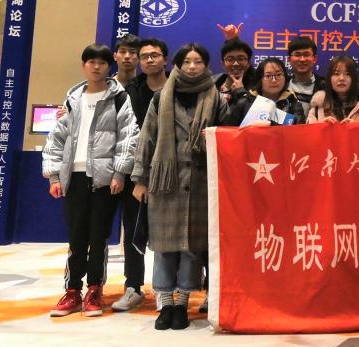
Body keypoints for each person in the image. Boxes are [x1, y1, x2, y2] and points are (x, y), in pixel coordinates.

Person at [131, 43, 229, 331]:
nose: (192, 67)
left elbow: (227, 136)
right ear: (177, 64)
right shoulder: (161, 97)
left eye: (198, 61)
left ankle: (182, 304)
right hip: (165, 182)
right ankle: (165, 304)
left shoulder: (215, 98)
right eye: (186, 61)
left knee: (191, 248)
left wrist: (214, 135)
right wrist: (140, 179)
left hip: (201, 182)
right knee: (163, 246)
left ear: (206, 65)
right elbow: (147, 138)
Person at [43, 43, 139, 318]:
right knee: (76, 237)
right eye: (91, 62)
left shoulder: (119, 98)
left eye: (102, 62)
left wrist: (119, 173)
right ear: (83, 65)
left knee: (98, 237)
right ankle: (72, 290)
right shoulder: (72, 99)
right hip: (73, 177)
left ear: (109, 66)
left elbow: (128, 137)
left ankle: (94, 290)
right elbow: (56, 138)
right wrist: (53, 175)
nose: (96, 67)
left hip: (104, 178)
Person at [111, 37, 170, 314]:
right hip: (137, 173)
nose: (149, 60)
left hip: (171, 170)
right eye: (144, 56)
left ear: (165, 59)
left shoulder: (177, 88)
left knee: (169, 232)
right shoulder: (130, 90)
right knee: (134, 232)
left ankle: (165, 289)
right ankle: (133, 287)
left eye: (154, 55)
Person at [228, 58, 307, 126]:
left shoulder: (293, 102)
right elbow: (229, 131)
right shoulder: (245, 102)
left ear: (285, 78)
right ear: (260, 79)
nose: (274, 80)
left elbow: (299, 131)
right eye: (268, 76)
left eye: (278, 75)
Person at [307, 55, 359, 124]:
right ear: (329, 78)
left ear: (354, 78)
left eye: (347, 74)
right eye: (336, 74)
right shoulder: (317, 108)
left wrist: (358, 129)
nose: (341, 78)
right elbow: (308, 133)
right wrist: (321, 127)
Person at [287, 36, 325, 118]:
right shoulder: (282, 85)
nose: (302, 59)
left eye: (306, 55)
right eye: (297, 55)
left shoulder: (325, 86)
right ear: (289, 59)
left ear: (314, 59)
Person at [215, 37, 254, 106]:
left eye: (241, 59)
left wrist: (241, 91)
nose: (236, 63)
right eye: (230, 59)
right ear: (223, 64)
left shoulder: (257, 86)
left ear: (248, 64)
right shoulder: (215, 83)